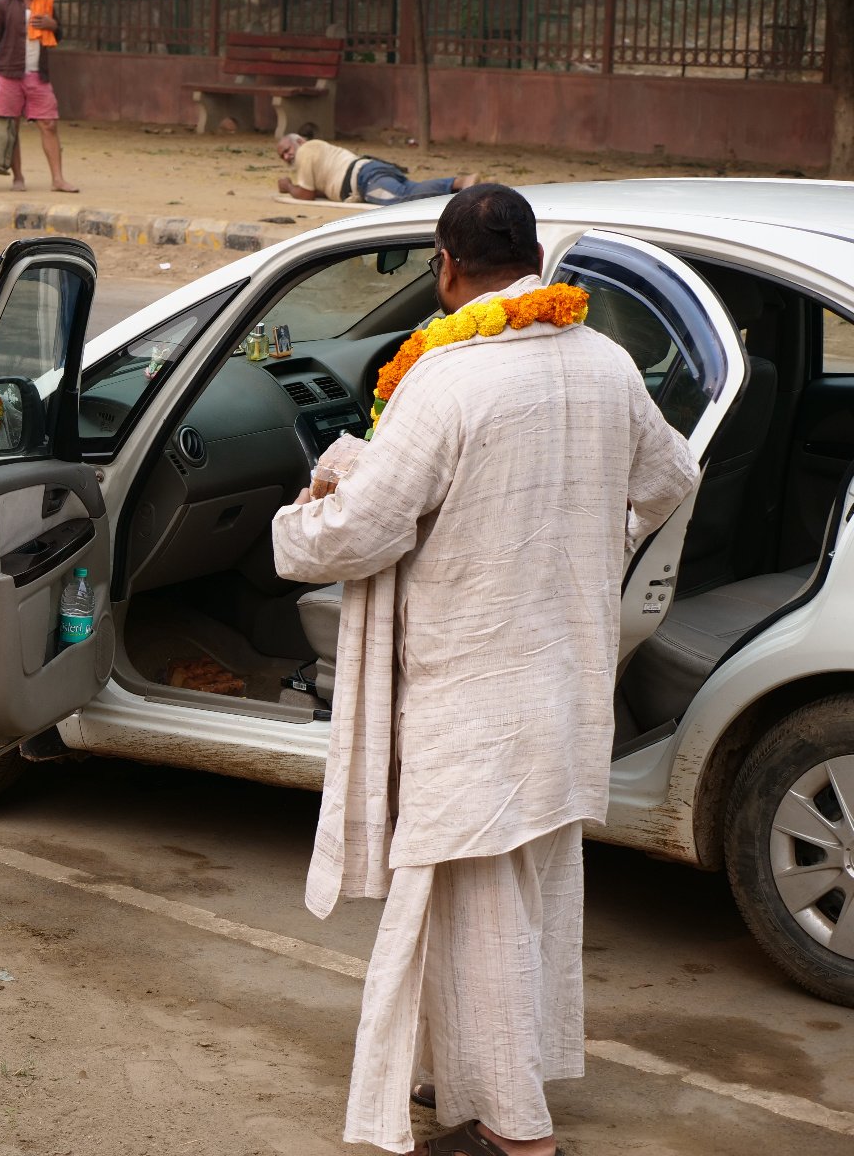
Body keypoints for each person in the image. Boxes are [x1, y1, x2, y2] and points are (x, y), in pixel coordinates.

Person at [270, 185, 698, 1155]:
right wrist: (597, 541)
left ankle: (517, 1132)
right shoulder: (606, 363)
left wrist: (299, 513)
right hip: (563, 680)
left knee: (476, 909)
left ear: (447, 266)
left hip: (470, 695)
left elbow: (359, 528)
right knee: (521, 896)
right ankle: (462, 1082)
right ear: (536, 263)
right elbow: (673, 477)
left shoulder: (447, 382)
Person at [0, 0, 78, 193]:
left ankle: (58, 179)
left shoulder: (46, 2)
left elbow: (59, 34)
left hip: (38, 75)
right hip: (9, 73)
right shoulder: (2, 5)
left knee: (49, 124)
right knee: (11, 127)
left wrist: (52, 25)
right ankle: (18, 177)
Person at [277, 133, 476, 205]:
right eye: (282, 156)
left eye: (287, 150)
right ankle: (458, 187)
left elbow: (306, 194)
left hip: (365, 179)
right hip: (370, 170)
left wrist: (287, 186)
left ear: (300, 141)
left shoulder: (305, 151)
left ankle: (460, 182)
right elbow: (318, 189)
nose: (287, 156)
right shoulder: (317, 150)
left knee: (404, 197)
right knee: (411, 190)